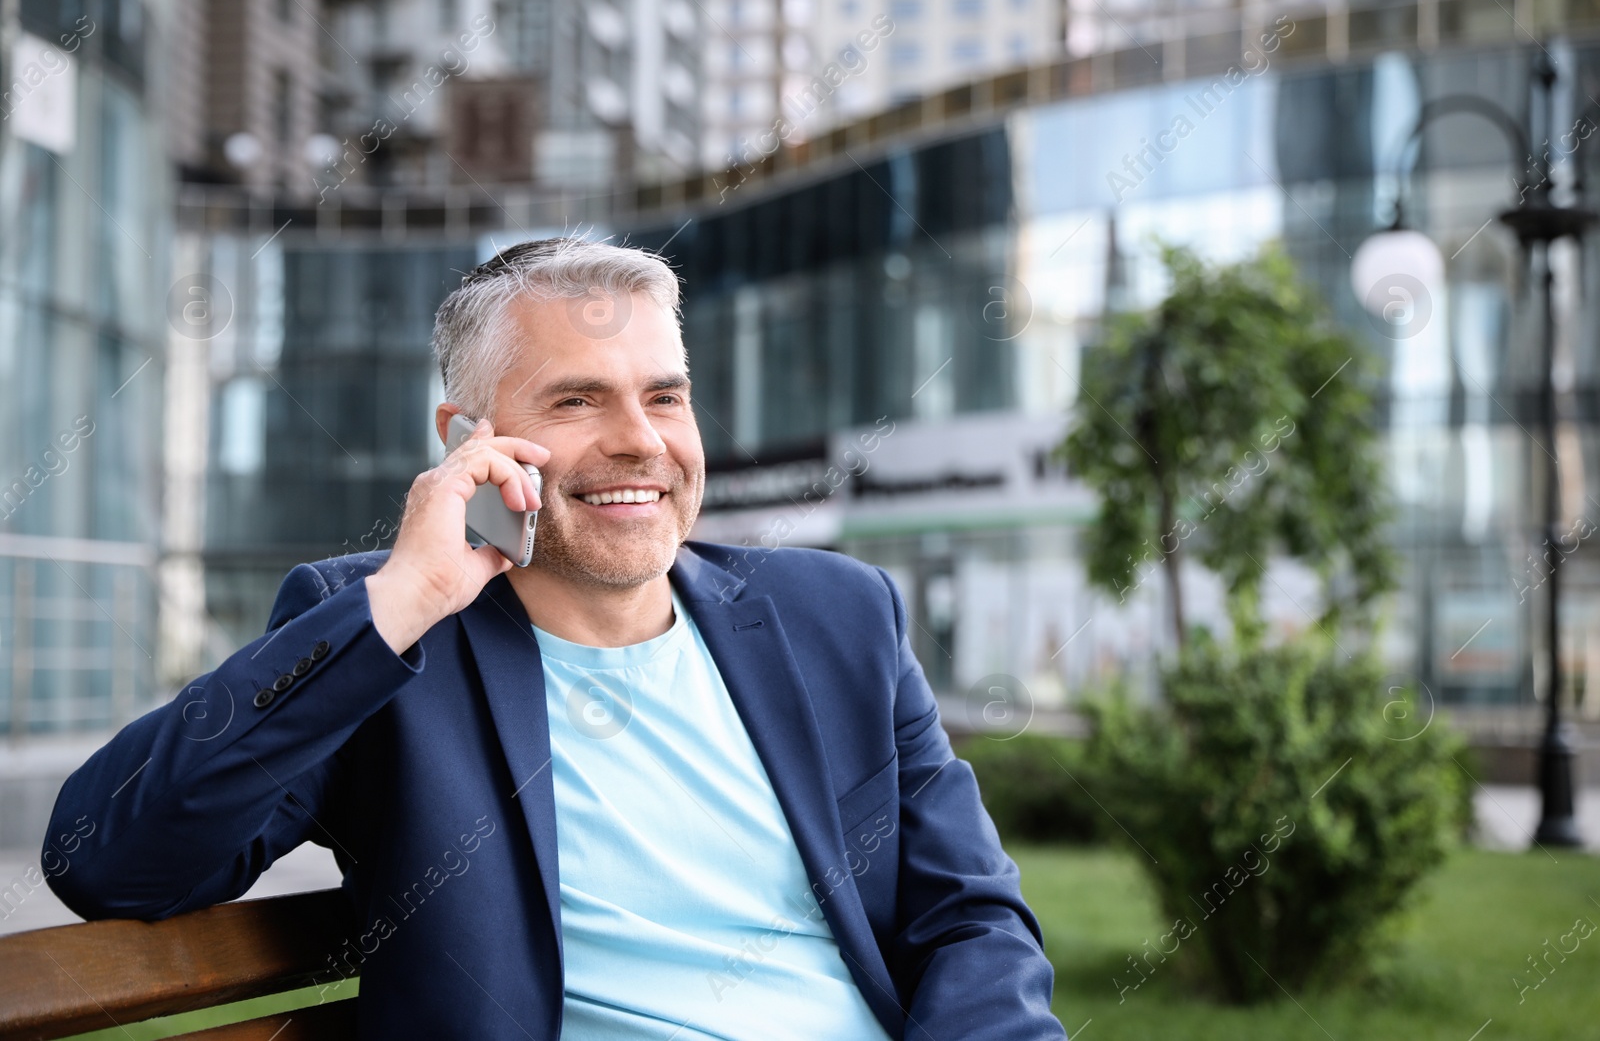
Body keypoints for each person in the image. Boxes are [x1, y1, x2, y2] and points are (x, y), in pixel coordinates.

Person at [44, 238, 1067, 1040]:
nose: (640, 438)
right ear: (466, 440)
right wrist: (403, 597)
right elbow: (111, 859)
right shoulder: (389, 634)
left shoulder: (836, 613)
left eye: (663, 394)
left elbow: (972, 919)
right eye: (577, 399)